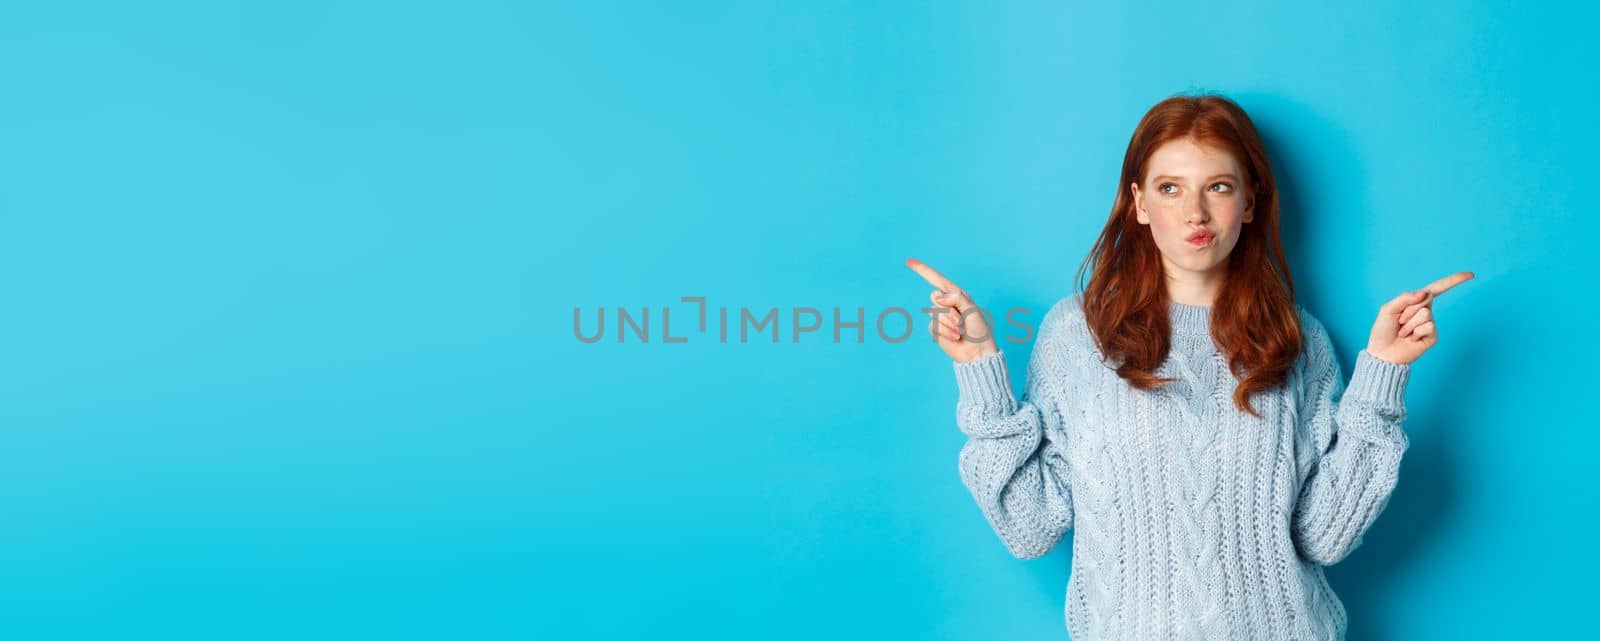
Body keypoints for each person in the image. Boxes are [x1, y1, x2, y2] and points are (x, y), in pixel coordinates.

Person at [905, 92, 1472, 641]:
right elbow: (1029, 527)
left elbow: (1325, 535)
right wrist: (979, 368)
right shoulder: (1077, 335)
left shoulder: (1295, 340)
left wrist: (1381, 377)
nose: (1195, 213)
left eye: (1218, 187)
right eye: (1170, 188)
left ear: (1249, 201)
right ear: (1139, 203)